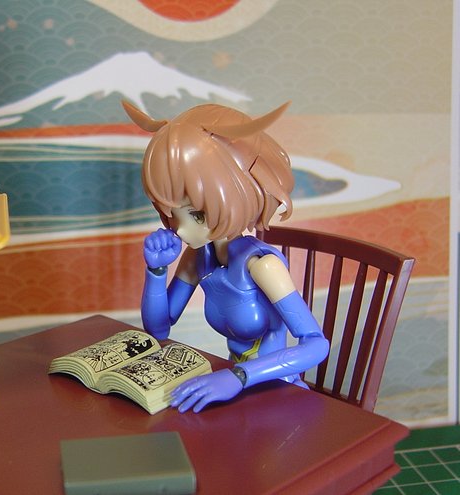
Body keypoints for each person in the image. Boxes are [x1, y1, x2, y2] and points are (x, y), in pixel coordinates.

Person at [122, 100, 329, 413]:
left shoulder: (262, 266)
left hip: (276, 393)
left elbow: (315, 344)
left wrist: (239, 376)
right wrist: (156, 272)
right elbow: (159, 329)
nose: (180, 229)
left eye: (197, 215)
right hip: (234, 393)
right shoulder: (198, 257)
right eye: (172, 214)